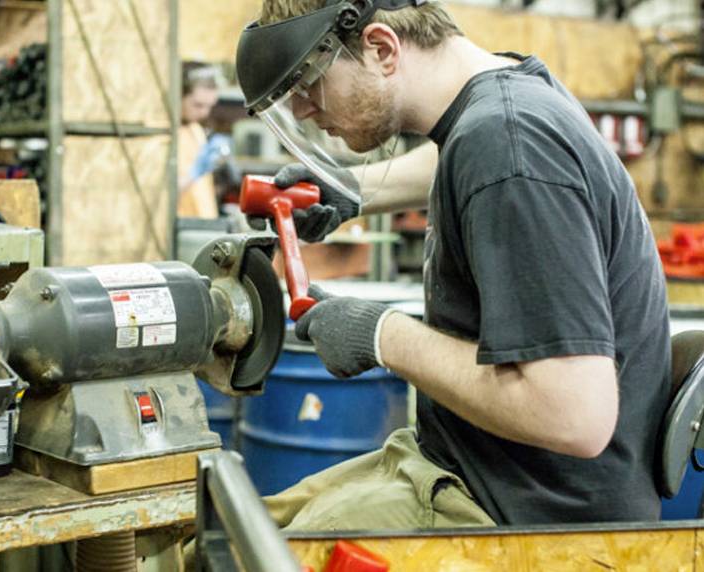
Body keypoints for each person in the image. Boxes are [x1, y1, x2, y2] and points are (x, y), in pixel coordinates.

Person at [234, 0, 671, 529]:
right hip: (470, 465)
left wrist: (380, 335)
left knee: (237, 554)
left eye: (309, 83)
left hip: (527, 514)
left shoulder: (508, 145)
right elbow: (460, 157)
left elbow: (575, 416)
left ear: (381, 48)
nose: (303, 110)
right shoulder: (509, 97)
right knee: (233, 526)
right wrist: (353, 189)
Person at [177, 61, 224, 218]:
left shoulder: (195, 129)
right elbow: (163, 197)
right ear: (178, 95)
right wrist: (194, 173)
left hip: (202, 223)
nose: (204, 113)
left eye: (210, 106)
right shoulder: (163, 135)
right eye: (198, 105)